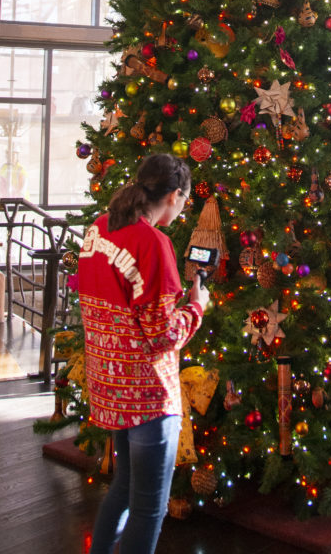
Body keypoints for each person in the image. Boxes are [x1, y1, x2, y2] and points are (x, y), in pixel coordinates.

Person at [78, 151, 209, 554]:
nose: (183, 209)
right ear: (173, 196)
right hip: (148, 395)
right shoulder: (153, 244)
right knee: (150, 507)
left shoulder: (99, 228)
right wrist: (197, 306)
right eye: (185, 200)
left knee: (123, 485)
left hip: (109, 385)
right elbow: (163, 335)